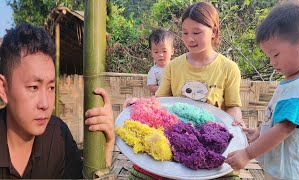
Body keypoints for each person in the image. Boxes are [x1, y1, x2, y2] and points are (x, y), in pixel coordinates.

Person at [125, 2, 244, 179]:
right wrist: (140, 104)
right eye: (185, 32)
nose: (190, 39)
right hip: (176, 137)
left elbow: (233, 106)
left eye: (196, 32)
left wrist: (236, 124)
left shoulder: (229, 68)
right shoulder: (173, 66)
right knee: (140, 173)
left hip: (210, 141)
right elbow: (160, 101)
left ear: (214, 31)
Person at [0, 23, 115, 178]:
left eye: (51, 87)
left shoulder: (58, 135)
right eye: (34, 87)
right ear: (3, 88)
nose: (46, 105)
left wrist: (105, 148)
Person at [225, 2, 299, 179]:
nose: (272, 62)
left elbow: (283, 129)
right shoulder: (297, 80)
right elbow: (280, 118)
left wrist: (246, 154)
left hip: (289, 174)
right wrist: (261, 131)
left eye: (275, 55)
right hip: (281, 170)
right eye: (269, 57)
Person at [147, 28, 174, 94]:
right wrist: (167, 89)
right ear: (152, 54)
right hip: (160, 100)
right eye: (156, 52)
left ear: (172, 51)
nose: (161, 55)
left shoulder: (176, 67)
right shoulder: (153, 71)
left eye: (164, 51)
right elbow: (152, 87)